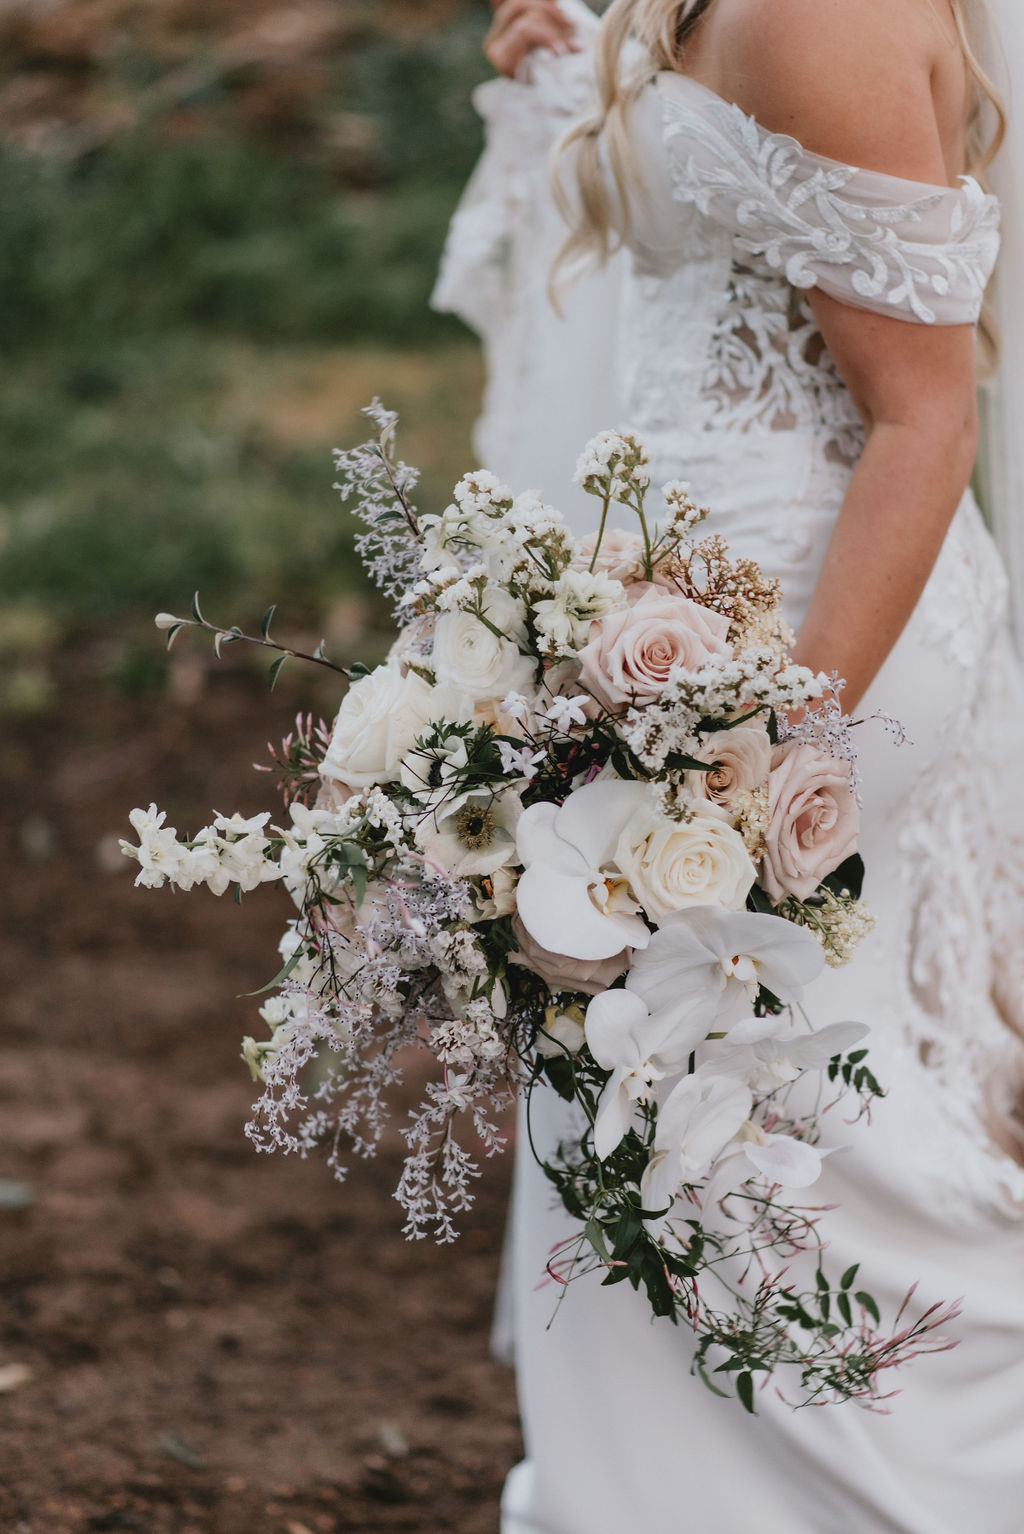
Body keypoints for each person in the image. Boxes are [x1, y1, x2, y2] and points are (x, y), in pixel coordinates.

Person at [442, 1, 1024, 1529]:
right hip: (689, 617)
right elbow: (742, 192)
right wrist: (589, 59)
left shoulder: (817, 10)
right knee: (672, 1092)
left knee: (722, 1098)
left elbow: (926, 419)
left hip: (816, 625)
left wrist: (771, 740)